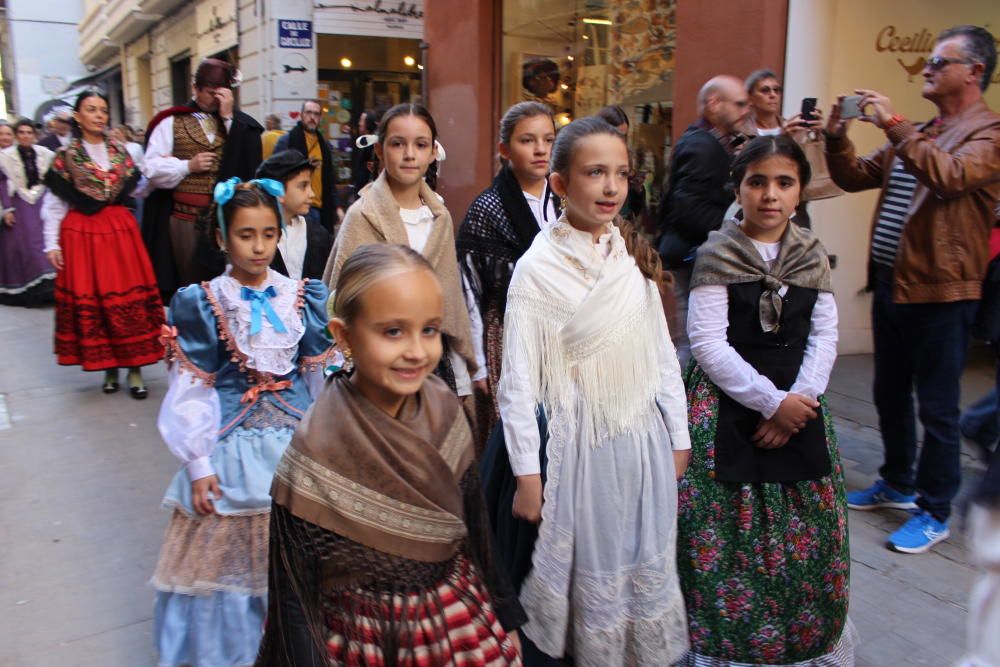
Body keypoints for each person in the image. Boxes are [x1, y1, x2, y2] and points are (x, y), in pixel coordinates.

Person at [256, 243, 525, 666]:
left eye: (430, 329)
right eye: (393, 331)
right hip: (366, 641)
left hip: (458, 623)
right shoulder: (315, 456)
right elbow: (294, 601)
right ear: (343, 335)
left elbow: (475, 530)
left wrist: (505, 614)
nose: (417, 351)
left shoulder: (447, 414)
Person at [492, 116, 691, 665]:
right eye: (595, 172)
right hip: (579, 450)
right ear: (559, 184)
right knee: (591, 572)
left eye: (621, 174)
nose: (610, 187)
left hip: (639, 442)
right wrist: (528, 476)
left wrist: (679, 435)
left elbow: (660, 356)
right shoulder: (536, 269)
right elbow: (519, 382)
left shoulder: (629, 259)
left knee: (640, 555)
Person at [827, 25, 1000, 553]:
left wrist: (895, 124)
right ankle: (898, 483)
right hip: (892, 286)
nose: (926, 69)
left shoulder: (988, 134)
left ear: (973, 72)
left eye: (937, 62)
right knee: (889, 393)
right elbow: (856, 175)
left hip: (945, 293)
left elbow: (949, 175)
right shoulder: (922, 130)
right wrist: (836, 135)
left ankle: (934, 507)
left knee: (938, 408)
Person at [679, 134, 850, 665]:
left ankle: (800, 639)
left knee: (806, 532)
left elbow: (825, 334)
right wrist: (770, 403)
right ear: (738, 189)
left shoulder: (810, 254)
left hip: (800, 405)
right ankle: (726, 643)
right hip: (729, 407)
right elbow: (708, 342)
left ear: (800, 193)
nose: (770, 195)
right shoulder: (718, 252)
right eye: (757, 182)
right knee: (727, 536)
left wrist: (799, 400)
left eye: (784, 182)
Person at [151, 178, 334, 667]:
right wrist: (198, 463)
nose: (259, 247)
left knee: (297, 562)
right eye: (246, 235)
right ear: (221, 239)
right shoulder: (204, 302)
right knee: (231, 569)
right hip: (231, 448)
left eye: (269, 234)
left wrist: (331, 444)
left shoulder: (302, 296)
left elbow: (319, 381)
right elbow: (191, 388)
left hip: (296, 447)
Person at [323, 103, 479, 398]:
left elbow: (450, 302)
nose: (410, 154)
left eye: (420, 145)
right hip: (376, 365)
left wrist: (461, 375)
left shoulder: (440, 217)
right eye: (398, 144)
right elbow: (341, 296)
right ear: (380, 151)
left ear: (433, 152)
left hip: (432, 363)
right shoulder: (362, 215)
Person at [40, 90, 164, 396]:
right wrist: (51, 244)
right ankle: (109, 367)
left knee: (126, 299)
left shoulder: (122, 153)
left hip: (119, 232)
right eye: (91, 110)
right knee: (96, 299)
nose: (99, 115)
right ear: (78, 117)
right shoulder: (65, 158)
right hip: (81, 234)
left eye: (103, 110)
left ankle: (135, 368)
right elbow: (54, 205)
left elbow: (141, 187)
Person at [457, 101, 557, 433]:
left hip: (562, 337)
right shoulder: (487, 209)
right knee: (515, 436)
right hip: (508, 335)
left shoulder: (565, 201)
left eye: (548, 139)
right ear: (505, 149)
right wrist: (479, 367)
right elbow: (471, 291)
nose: (540, 149)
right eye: (527, 140)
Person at [143, 57, 265, 300]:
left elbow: (249, 160)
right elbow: (151, 167)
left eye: (222, 93)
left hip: (228, 222)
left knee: (230, 288)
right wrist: (187, 166)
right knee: (193, 288)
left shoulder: (236, 124)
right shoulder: (171, 121)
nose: (216, 99)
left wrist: (229, 118)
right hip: (185, 219)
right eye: (210, 93)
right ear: (195, 88)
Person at [657, 75, 749, 365]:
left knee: (699, 340)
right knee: (696, 343)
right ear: (714, 103)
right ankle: (679, 405)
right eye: (739, 104)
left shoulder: (712, 143)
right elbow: (687, 208)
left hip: (698, 254)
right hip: (694, 255)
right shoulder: (702, 145)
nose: (745, 110)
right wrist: (736, 229)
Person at [0, 119, 56, 306]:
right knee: (28, 246)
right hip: (20, 202)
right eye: (21, 133)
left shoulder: (45, 154)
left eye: (29, 133)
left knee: (45, 243)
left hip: (41, 200)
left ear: (35, 135)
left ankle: (51, 288)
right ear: (17, 136)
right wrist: (7, 209)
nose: (25, 136)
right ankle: (34, 291)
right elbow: (2, 185)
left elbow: (53, 177)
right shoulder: (5, 157)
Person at [254, 149, 332, 280]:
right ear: (278, 192)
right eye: (303, 186)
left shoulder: (318, 235)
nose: (311, 194)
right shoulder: (257, 239)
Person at [275, 100, 341, 235]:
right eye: (309, 113)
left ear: (320, 118)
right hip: (298, 208)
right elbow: (274, 174)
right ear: (301, 115)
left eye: (316, 114)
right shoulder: (287, 141)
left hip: (321, 208)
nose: (312, 117)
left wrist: (338, 207)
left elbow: (329, 178)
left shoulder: (324, 145)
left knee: (319, 251)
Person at [596, 105, 646, 222]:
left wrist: (637, 188)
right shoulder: (590, 158)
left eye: (623, 136)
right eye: (616, 135)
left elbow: (634, 207)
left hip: (622, 227)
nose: (620, 140)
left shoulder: (626, 157)